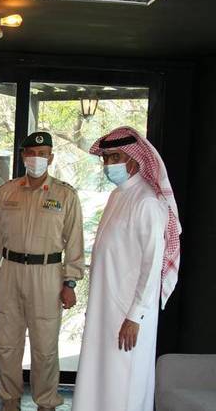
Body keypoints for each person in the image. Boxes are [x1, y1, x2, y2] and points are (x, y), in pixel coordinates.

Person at [73, 127, 181, 411]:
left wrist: (135, 316)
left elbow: (152, 265)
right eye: (106, 158)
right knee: (100, 378)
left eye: (115, 157)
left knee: (125, 382)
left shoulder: (147, 202)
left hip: (128, 313)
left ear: (134, 160)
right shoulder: (117, 196)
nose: (109, 164)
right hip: (105, 309)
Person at [0, 131, 84, 411]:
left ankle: (46, 402)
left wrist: (70, 283)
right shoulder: (7, 191)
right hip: (11, 272)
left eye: (42, 154)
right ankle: (9, 399)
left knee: (45, 347)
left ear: (50, 158)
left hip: (47, 275)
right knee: (7, 344)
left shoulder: (65, 194)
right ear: (23, 156)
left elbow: (75, 243)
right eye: (31, 153)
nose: (36, 158)